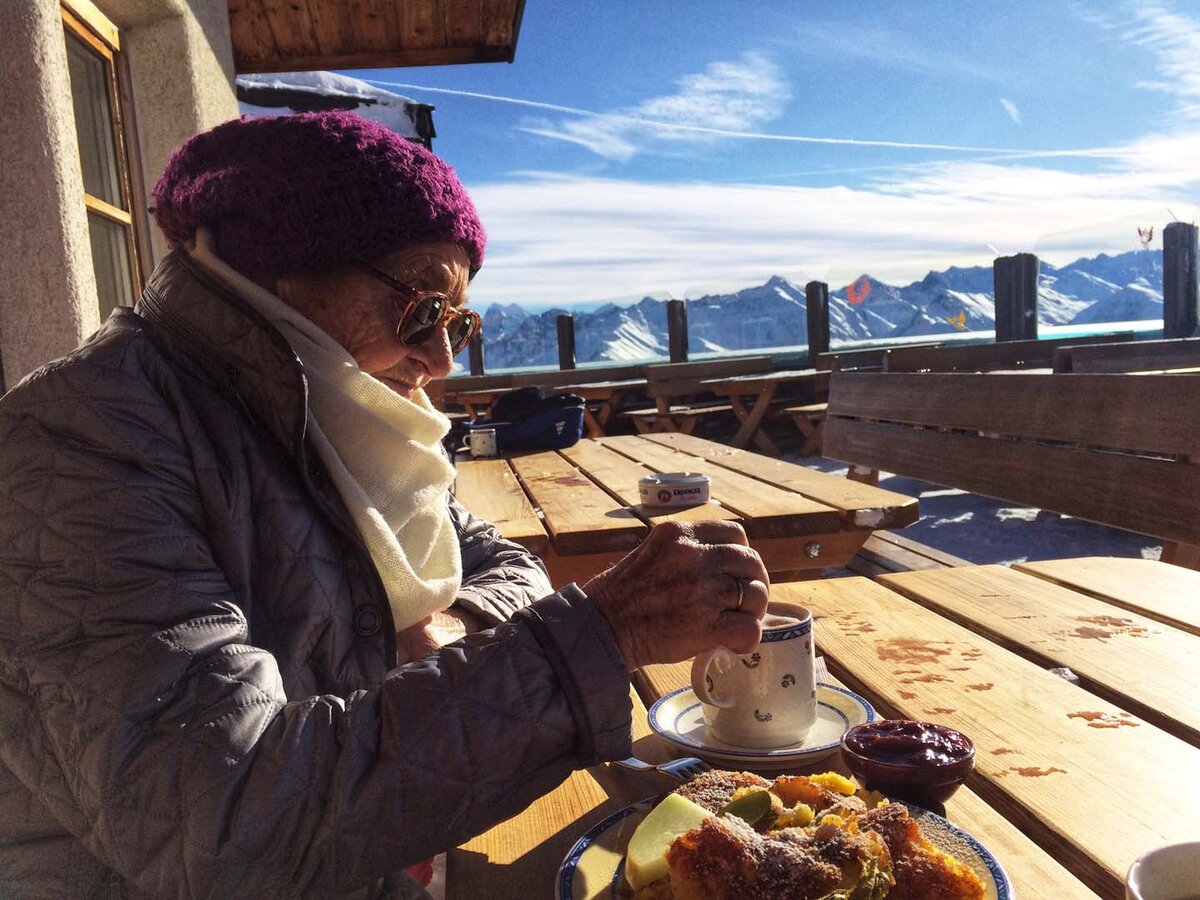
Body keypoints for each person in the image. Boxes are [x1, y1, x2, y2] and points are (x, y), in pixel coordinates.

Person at [0, 111, 770, 899]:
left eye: (457, 322)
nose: (440, 360)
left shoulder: (330, 414)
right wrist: (606, 634)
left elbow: (504, 563)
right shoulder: (82, 438)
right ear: (282, 270)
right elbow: (224, 819)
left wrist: (454, 628)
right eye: (421, 309)